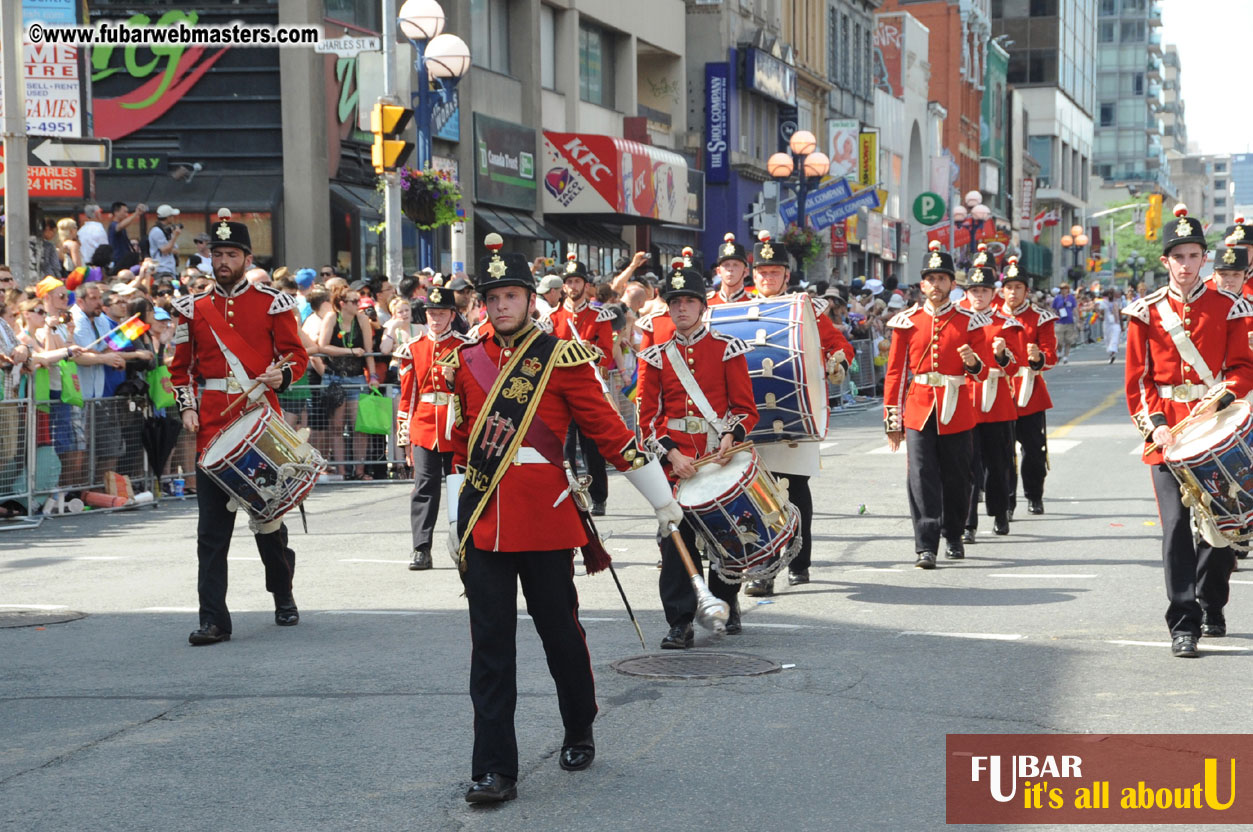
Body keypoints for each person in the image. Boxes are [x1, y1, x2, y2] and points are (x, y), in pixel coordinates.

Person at [443, 236, 683, 804]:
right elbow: (459, 449)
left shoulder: (562, 357)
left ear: (531, 300)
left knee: (561, 638)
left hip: (547, 519)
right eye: (492, 297)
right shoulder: (464, 360)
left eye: (511, 296)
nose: (500, 306)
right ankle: (494, 768)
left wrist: (660, 499)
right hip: (485, 518)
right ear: (481, 304)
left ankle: (579, 724)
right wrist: (454, 526)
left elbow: (609, 434)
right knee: (491, 649)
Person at [169, 208, 309, 646]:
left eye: (232, 253)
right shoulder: (192, 309)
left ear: (247, 259)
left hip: (259, 421)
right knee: (210, 532)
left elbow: (297, 357)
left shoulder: (272, 303)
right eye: (218, 253)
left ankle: (282, 592)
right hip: (211, 428)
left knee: (268, 522)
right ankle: (213, 620)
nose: (223, 260)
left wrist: (281, 375)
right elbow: (179, 370)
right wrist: (187, 408)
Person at [1122, 204, 1253, 658]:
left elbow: (1241, 369)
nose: (1185, 263)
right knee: (1176, 528)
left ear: (1203, 260)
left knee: (1220, 528)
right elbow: (1138, 381)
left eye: (1193, 255)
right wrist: (1155, 426)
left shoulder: (1229, 307)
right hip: (1167, 432)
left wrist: (1218, 401)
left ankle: (1211, 601)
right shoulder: (1145, 312)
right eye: (1177, 256)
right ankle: (1183, 622)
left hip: (1215, 425)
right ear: (1166, 262)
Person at [637, 263, 757, 647]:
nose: (682, 309)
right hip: (677, 464)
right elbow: (647, 419)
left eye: (689, 301)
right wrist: (671, 455)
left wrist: (729, 437)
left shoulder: (726, 349)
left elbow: (745, 408)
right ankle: (680, 620)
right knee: (676, 540)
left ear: (702, 307)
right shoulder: (655, 358)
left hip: (718, 459)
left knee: (727, 536)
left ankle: (726, 600)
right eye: (675, 303)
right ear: (668, 309)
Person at [743, 231, 852, 594]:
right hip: (751, 415)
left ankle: (799, 559)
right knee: (756, 496)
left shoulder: (804, 307)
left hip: (794, 411)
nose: (767, 278)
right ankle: (764, 566)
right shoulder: (737, 310)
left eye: (774, 272)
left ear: (786, 276)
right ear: (752, 274)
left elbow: (839, 345)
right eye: (762, 272)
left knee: (795, 491)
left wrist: (837, 362)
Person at [883, 242, 989, 567]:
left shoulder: (970, 321)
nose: (936, 285)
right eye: (930, 279)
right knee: (920, 475)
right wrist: (893, 421)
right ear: (922, 284)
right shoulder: (907, 321)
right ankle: (925, 545)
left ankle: (954, 533)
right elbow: (896, 373)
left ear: (952, 285)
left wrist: (972, 363)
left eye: (942, 279)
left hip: (956, 406)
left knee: (958, 476)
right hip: (918, 407)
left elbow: (983, 372)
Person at [395, 280, 469, 570]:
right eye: (430, 313)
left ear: (452, 315)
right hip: (424, 426)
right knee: (424, 487)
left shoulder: (465, 347)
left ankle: (464, 542)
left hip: (456, 426)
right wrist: (405, 438)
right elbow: (407, 398)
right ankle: (421, 548)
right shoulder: (413, 348)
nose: (435, 318)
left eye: (440, 313)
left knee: (459, 487)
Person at [545, 252, 617, 515]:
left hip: (589, 389)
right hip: (561, 393)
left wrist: (591, 349)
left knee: (592, 446)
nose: (573, 287)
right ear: (563, 286)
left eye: (578, 281)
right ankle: (572, 493)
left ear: (586, 285)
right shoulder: (553, 319)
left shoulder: (600, 317)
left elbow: (607, 356)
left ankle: (599, 496)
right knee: (564, 446)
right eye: (569, 282)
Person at [961, 249, 1024, 544]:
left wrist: (1001, 355)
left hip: (998, 401)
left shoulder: (1006, 323)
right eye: (974, 291)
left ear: (992, 292)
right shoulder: (958, 319)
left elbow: (1016, 366)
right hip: (966, 400)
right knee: (967, 468)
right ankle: (968, 523)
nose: (978, 296)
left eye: (984, 290)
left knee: (998, 465)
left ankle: (1000, 513)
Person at [999, 257, 1058, 517]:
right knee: (1002, 452)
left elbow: (1051, 356)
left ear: (1026, 291)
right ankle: (1007, 501)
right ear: (1002, 290)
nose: (1013, 292)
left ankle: (1034, 494)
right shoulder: (990, 317)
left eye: (1018, 287)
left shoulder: (1040, 318)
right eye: (1009, 287)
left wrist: (1037, 357)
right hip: (999, 391)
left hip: (1030, 390)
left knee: (1034, 450)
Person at [317, 283, 379, 479]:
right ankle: (343, 470)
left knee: (359, 426)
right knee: (336, 427)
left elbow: (368, 351)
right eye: (354, 301)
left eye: (358, 301)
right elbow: (323, 346)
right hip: (335, 377)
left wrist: (374, 376)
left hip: (357, 377)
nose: (358, 305)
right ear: (342, 304)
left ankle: (359, 470)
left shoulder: (362, 320)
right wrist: (350, 351)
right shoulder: (331, 318)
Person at [707, 233, 751, 306]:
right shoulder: (707, 304)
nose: (730, 269)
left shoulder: (754, 302)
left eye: (735, 265)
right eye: (726, 265)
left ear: (745, 271)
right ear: (718, 271)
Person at [107, 201, 147, 270]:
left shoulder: (122, 228)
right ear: (116, 212)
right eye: (124, 212)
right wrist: (136, 214)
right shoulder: (113, 225)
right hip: (118, 261)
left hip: (125, 261)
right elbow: (119, 226)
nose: (126, 214)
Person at [148, 205, 182, 276]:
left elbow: (175, 250)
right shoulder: (157, 231)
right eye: (172, 216)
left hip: (169, 268)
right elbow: (165, 250)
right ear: (168, 217)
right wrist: (175, 236)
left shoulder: (165, 231)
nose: (173, 218)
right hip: (162, 269)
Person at [1051, 283, 1077, 364]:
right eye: (1062, 288)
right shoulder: (1057, 298)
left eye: (1065, 288)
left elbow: (1075, 308)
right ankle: (1059, 353)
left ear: (1068, 289)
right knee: (1059, 340)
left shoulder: (1071, 298)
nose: (1063, 290)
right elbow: (1053, 309)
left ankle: (1066, 357)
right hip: (1060, 321)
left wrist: (1078, 319)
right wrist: (1052, 317)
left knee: (1068, 340)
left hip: (1069, 321)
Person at [1099, 288, 1123, 364]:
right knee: (1109, 339)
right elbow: (1101, 313)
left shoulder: (1117, 303)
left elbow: (1119, 314)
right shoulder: (1103, 303)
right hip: (1108, 324)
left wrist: (1121, 325)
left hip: (1114, 324)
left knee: (1113, 339)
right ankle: (1111, 354)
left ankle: (1112, 352)